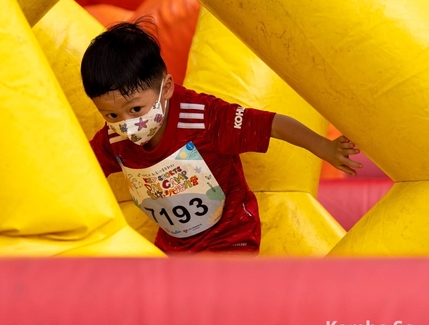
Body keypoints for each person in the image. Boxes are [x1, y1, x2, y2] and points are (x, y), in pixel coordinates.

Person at [81, 18, 362, 255]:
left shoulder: (203, 118)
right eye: (112, 115)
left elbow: (272, 124)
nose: (127, 124)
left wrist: (324, 147)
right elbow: (83, 169)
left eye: (136, 109)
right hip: (175, 246)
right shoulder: (114, 139)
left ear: (166, 88)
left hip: (231, 237)